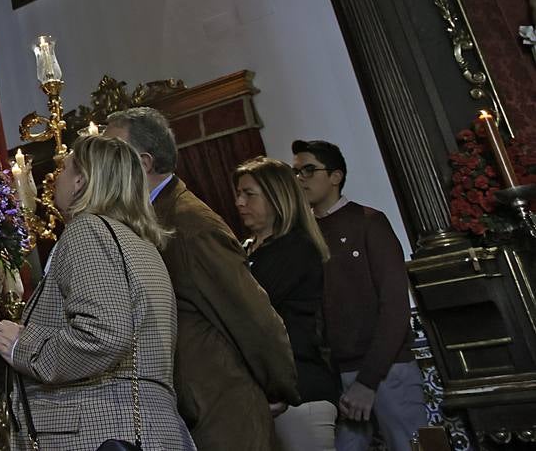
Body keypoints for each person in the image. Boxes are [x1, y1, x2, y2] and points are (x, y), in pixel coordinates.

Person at [0, 135, 195, 450]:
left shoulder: (88, 231)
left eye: (65, 168)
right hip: (149, 431)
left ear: (81, 180)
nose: (55, 178)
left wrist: (22, 346)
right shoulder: (140, 243)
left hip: (101, 432)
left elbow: (105, 333)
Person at [105, 107, 299, 451]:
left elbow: (252, 316)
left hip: (222, 414)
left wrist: (277, 387)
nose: (103, 165)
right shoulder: (150, 218)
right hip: (192, 411)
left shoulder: (190, 224)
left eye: (113, 151)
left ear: (144, 162)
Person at [292, 139, 429, 451]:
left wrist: (369, 380)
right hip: (337, 375)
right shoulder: (303, 235)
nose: (301, 178)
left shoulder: (369, 222)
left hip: (387, 370)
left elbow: (395, 305)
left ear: (336, 176)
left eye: (309, 170)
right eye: (296, 171)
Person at [234, 156, 340, 451]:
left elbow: (251, 309)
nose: (239, 202)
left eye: (249, 194)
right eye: (238, 194)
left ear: (277, 197)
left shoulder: (295, 248)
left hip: (300, 390)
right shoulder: (246, 250)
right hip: (268, 393)